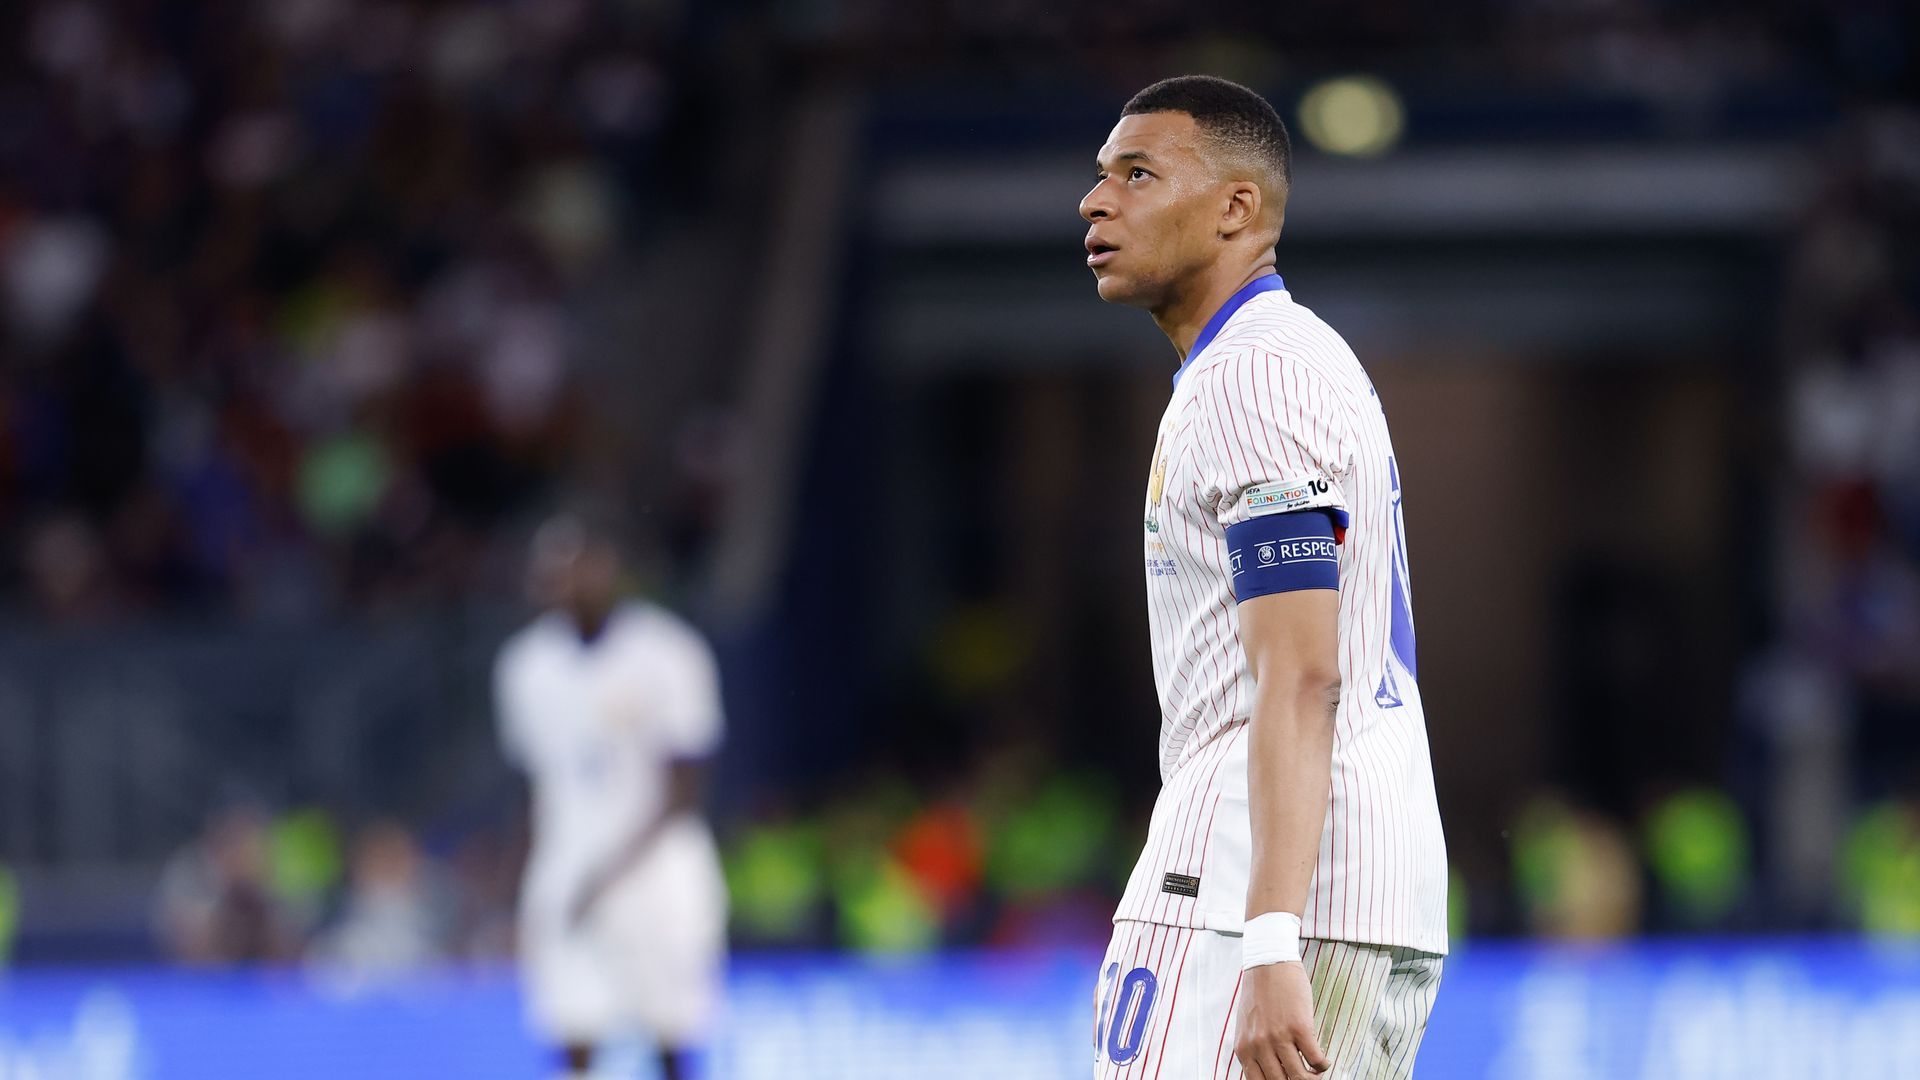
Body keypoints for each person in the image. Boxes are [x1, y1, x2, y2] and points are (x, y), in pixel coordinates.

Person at [1081, 76, 1449, 1079]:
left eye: (1137, 174)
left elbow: (1301, 670)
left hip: (1252, 890)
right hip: (1363, 886)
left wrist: (1271, 936)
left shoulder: (1251, 376)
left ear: (1236, 207)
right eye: (1102, 175)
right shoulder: (1293, 357)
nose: (1095, 201)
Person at [495, 511, 727, 1080]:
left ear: (607, 568)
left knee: (672, 1027)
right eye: (551, 572)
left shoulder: (668, 651)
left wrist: (609, 874)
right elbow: (532, 785)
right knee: (571, 1021)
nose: (564, 585)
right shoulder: (526, 666)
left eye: (576, 569)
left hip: (656, 865)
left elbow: (684, 789)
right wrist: (520, 878)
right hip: (567, 860)